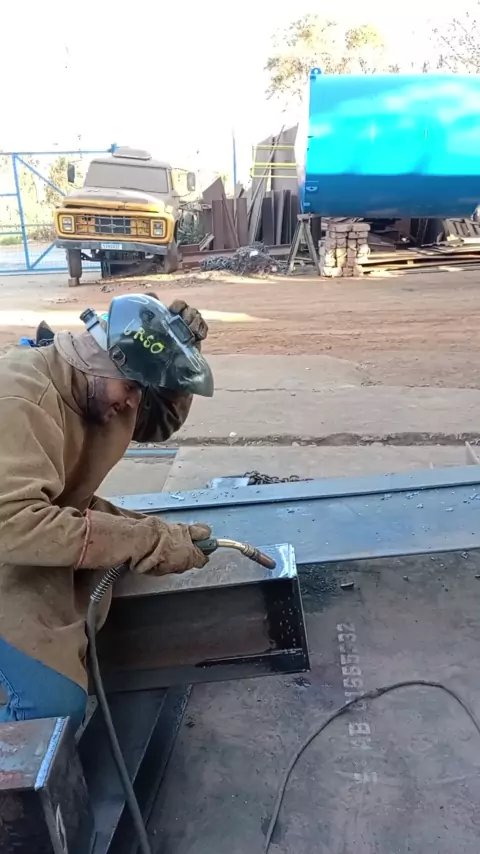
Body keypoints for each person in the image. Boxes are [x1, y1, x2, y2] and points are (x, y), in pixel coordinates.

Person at [0, 293, 213, 731]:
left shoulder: (102, 384)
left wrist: (176, 367)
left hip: (36, 526)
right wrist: (142, 540)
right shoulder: (21, 398)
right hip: (12, 538)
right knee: (51, 705)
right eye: (131, 388)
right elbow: (14, 523)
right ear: (102, 360)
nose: (133, 402)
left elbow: (155, 422)